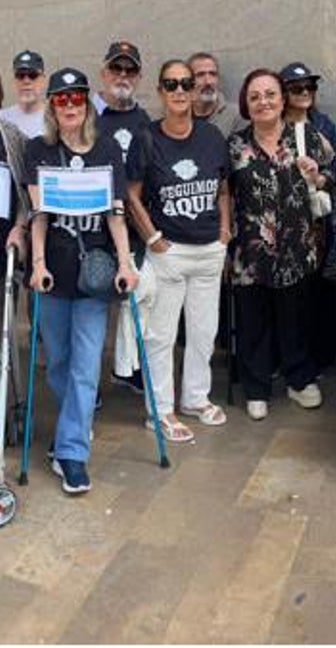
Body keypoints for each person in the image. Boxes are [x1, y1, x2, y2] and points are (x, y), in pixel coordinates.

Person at [23, 67, 139, 494]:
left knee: (86, 366)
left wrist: (126, 263)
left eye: (76, 98)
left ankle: (71, 452)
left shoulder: (106, 148)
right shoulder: (39, 150)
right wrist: (37, 264)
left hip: (93, 275)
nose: (69, 105)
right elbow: (39, 215)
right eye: (61, 99)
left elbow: (116, 214)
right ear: (52, 106)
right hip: (54, 271)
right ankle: (72, 428)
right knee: (58, 363)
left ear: (87, 103)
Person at [126, 60, 232, 443]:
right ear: (160, 91)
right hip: (169, 250)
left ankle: (195, 398)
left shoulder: (211, 136)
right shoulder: (147, 137)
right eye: (171, 84)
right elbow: (131, 194)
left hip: (208, 248)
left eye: (186, 83)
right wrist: (152, 236)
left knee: (205, 332)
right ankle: (160, 410)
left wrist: (224, 230)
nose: (180, 90)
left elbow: (223, 187)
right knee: (162, 335)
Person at [228, 69, 335, 420]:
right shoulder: (234, 146)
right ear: (246, 103)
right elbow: (223, 195)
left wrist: (316, 174)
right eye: (255, 96)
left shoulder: (307, 137)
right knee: (252, 322)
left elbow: (333, 176)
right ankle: (256, 388)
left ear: (283, 98)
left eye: (270, 94)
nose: (264, 102)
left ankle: (299, 380)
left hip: (296, 246)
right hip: (250, 251)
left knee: (296, 318)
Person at [280, 61, 336, 374]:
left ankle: (323, 357)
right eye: (297, 88)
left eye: (310, 87)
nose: (305, 93)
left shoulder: (324, 124)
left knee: (321, 287)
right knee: (291, 290)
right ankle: (289, 358)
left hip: (320, 220)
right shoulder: (274, 125)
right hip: (284, 219)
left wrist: (324, 178)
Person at [97, 40, 155, 394]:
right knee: (92, 307)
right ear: (104, 73)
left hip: (132, 225)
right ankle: (91, 385)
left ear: (138, 76)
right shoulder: (89, 115)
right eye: (116, 68)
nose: (122, 75)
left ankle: (128, 368)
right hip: (94, 226)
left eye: (129, 69)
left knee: (139, 296)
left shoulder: (144, 120)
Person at [187, 52, 241, 138]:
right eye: (200, 75)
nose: (208, 82)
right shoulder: (178, 116)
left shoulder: (236, 117)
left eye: (213, 74)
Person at [2, 50, 47, 138]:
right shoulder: (2, 119)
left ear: (43, 80)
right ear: (14, 80)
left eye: (32, 75)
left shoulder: (56, 118)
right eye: (20, 75)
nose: (26, 81)